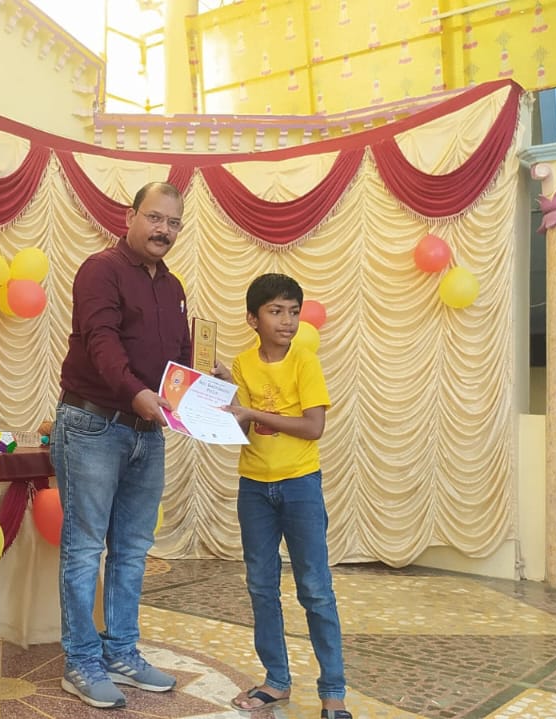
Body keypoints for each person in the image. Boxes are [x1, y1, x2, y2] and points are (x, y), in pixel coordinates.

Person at [52, 182, 191, 708]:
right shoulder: (101, 270)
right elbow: (101, 341)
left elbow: (178, 359)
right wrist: (136, 393)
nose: (163, 230)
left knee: (133, 551)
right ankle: (81, 662)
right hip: (93, 424)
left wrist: (206, 382)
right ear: (130, 217)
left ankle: (122, 653)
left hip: (148, 430)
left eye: (173, 223)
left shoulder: (173, 286)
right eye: (154, 218)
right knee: (86, 548)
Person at [224, 274, 350, 719]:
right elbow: (237, 426)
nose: (288, 321)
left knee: (315, 588)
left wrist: (252, 410)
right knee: (261, 586)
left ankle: (333, 691)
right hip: (254, 488)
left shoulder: (304, 361)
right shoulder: (242, 363)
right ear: (252, 319)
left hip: (300, 485)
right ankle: (276, 681)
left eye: (294, 311)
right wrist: (217, 394)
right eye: (276, 311)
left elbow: (313, 427)